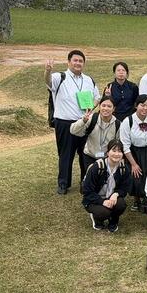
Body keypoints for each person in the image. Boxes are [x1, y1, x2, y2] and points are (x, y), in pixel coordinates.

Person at [45, 50, 100, 194]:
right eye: (75, 60)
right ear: (69, 62)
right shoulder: (60, 77)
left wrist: (91, 107)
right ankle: (63, 183)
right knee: (66, 154)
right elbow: (48, 82)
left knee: (85, 153)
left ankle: (85, 181)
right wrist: (48, 71)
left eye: (81, 61)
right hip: (65, 123)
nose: (78, 63)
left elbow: (97, 97)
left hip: (84, 122)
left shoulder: (89, 80)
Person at [120, 94, 147, 211]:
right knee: (136, 175)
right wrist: (133, 164)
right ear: (136, 105)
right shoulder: (128, 121)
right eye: (142, 105)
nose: (145, 108)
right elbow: (125, 145)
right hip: (134, 152)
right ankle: (137, 199)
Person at [81, 139, 131, 233]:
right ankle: (97, 219)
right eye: (114, 150)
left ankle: (113, 221)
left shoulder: (124, 167)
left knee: (121, 204)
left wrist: (116, 194)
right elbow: (87, 191)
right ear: (107, 152)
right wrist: (102, 201)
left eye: (119, 151)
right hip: (94, 199)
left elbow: (125, 188)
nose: (116, 154)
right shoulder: (97, 167)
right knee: (104, 212)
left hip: (111, 197)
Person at [70, 96, 121, 177]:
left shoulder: (117, 124)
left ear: (113, 109)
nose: (106, 108)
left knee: (103, 181)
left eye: (109, 106)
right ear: (99, 106)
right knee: (89, 179)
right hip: (89, 156)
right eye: (103, 105)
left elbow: (118, 143)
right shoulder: (91, 118)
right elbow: (73, 130)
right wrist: (83, 121)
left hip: (106, 158)